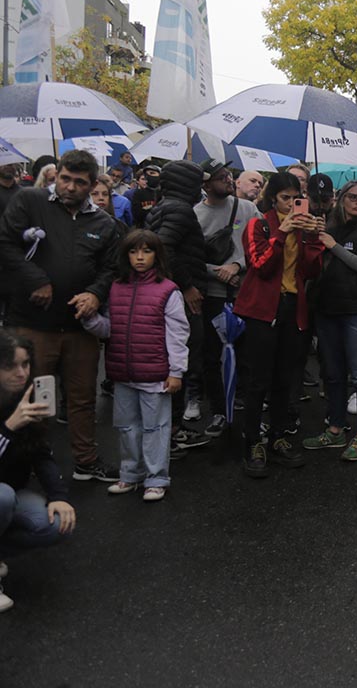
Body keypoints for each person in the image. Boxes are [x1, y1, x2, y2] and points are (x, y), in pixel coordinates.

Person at [0, 150, 120, 481]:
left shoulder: (105, 223)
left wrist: (96, 293)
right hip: (31, 322)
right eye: (65, 178)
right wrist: (35, 279)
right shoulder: (30, 200)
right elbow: (5, 244)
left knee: (82, 398)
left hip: (79, 327)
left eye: (79, 182)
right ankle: (23, 467)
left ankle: (86, 460)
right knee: (31, 396)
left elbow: (111, 268)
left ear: (92, 184)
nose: (69, 187)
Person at [81, 230, 188, 502]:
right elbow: (109, 328)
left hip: (155, 375)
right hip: (123, 373)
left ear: (157, 254)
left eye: (147, 251)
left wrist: (176, 371)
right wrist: (90, 320)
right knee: (126, 427)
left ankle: (156, 477)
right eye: (133, 251)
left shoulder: (168, 290)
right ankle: (130, 473)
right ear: (125, 255)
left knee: (156, 428)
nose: (140, 257)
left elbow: (177, 333)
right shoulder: (116, 287)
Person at [232, 173, 323, 477]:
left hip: (292, 308)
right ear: (273, 198)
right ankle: (252, 441)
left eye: (296, 197)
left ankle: (278, 436)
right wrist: (282, 232)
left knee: (286, 379)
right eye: (285, 197)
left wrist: (312, 238)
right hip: (262, 311)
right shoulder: (259, 224)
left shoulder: (303, 226)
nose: (291, 203)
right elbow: (259, 265)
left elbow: (312, 270)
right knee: (259, 380)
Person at [302, 181, 357, 462]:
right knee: (333, 374)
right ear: (341, 199)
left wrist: (333, 245)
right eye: (353, 197)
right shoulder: (327, 227)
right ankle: (335, 428)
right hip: (328, 308)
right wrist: (316, 237)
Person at [0, 329, 75, 612]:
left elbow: (41, 454)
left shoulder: (26, 396)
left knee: (56, 525)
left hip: (13, 490)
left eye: (25, 364)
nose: (21, 373)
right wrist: (9, 427)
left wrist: (59, 495)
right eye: (10, 366)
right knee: (3, 497)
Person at [145, 160, 210, 454]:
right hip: (179, 299)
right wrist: (187, 286)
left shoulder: (163, 206)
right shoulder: (180, 210)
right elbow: (164, 247)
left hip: (166, 295)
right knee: (179, 362)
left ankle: (168, 430)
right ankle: (172, 431)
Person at [193, 159, 261, 437]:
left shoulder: (248, 208)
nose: (228, 179)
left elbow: (261, 243)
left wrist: (237, 266)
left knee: (249, 354)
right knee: (213, 356)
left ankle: (246, 410)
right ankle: (220, 410)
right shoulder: (194, 215)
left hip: (246, 293)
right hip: (213, 296)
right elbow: (191, 258)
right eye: (221, 176)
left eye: (229, 174)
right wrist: (217, 272)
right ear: (206, 184)